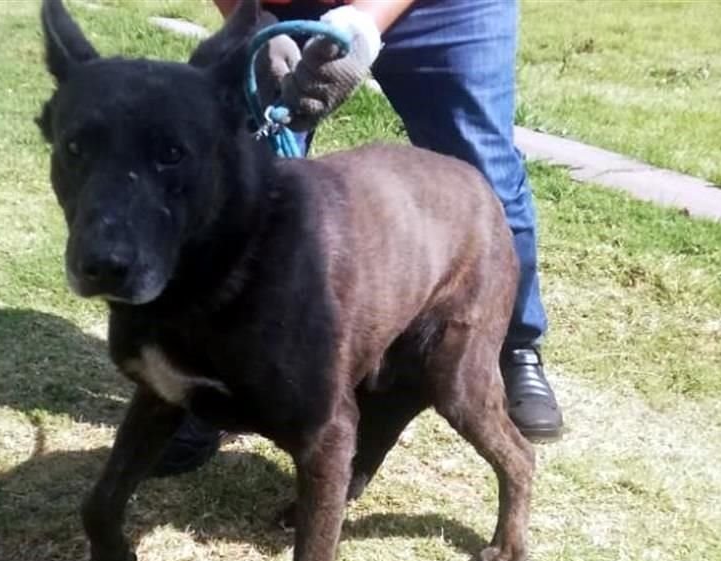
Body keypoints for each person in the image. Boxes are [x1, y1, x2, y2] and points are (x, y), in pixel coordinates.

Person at [153, 0, 562, 477]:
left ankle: (512, 345)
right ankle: (215, 375)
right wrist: (250, 19)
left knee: (484, 165)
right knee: (242, 168)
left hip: (446, 9)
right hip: (287, 6)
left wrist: (362, 23)